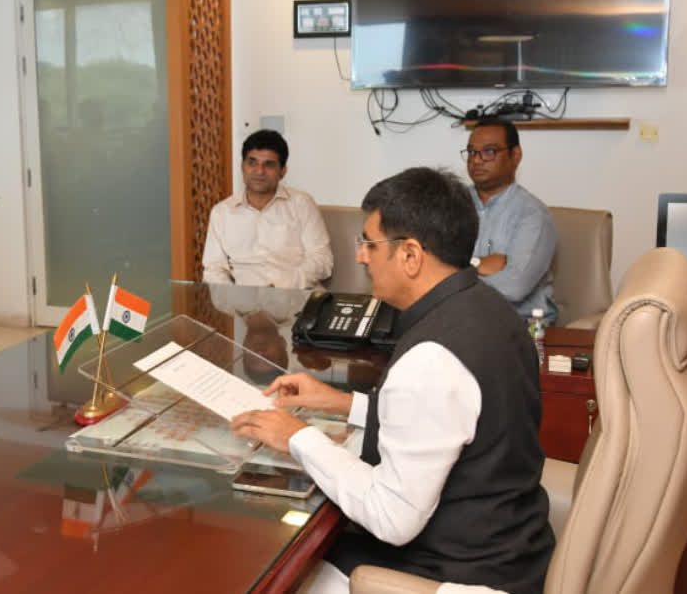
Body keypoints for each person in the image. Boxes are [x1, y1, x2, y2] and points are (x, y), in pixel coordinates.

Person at [231, 167, 554, 594]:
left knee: (271, 560)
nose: (361, 257)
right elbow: (447, 420)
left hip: (460, 571)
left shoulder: (432, 358)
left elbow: (391, 517)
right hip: (514, 547)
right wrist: (345, 403)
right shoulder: (489, 309)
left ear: (411, 255)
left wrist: (298, 437)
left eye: (369, 243)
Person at [202, 129, 333, 288]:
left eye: (269, 164)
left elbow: (322, 260)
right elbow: (213, 270)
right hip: (244, 300)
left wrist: (280, 287)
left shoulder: (302, 204)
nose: (259, 171)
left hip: (297, 296)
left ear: (283, 171)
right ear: (242, 166)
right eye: (252, 162)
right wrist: (235, 299)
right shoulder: (222, 213)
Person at [463, 118, 557, 323]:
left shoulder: (533, 215)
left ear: (516, 155)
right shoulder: (451, 204)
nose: (476, 160)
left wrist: (452, 276)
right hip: (462, 320)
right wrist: (477, 264)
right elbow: (424, 269)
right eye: (471, 152)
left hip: (520, 326)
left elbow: (513, 288)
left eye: (489, 151)